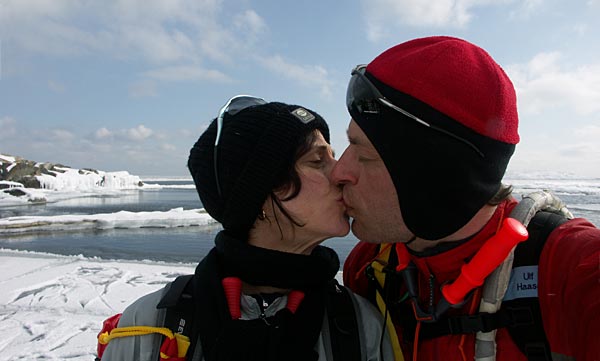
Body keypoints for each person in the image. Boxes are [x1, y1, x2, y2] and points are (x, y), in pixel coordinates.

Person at [332, 36, 600, 361]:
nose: (339, 171)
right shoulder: (369, 267)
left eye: (365, 153)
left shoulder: (570, 268)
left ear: (434, 175)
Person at [97, 96, 393, 361]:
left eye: (333, 155)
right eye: (318, 161)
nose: (341, 172)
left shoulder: (358, 323)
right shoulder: (154, 325)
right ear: (259, 196)